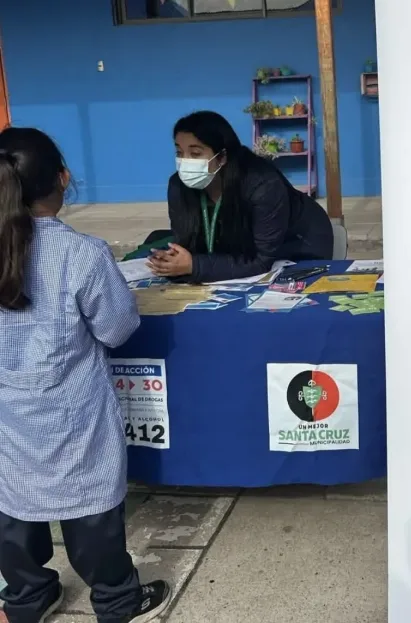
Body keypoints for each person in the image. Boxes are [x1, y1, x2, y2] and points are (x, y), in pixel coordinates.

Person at [0, 127, 170, 623]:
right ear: (63, 178)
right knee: (91, 509)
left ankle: (27, 599)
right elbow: (117, 329)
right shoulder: (82, 254)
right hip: (72, 414)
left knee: (13, 510)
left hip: (8, 418)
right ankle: (116, 600)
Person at [148, 111, 334, 283]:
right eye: (179, 153)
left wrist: (194, 265)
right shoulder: (178, 186)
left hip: (297, 248)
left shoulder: (263, 185)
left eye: (195, 153)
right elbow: (187, 245)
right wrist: (173, 261)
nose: (185, 162)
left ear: (222, 158)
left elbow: (261, 261)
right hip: (241, 254)